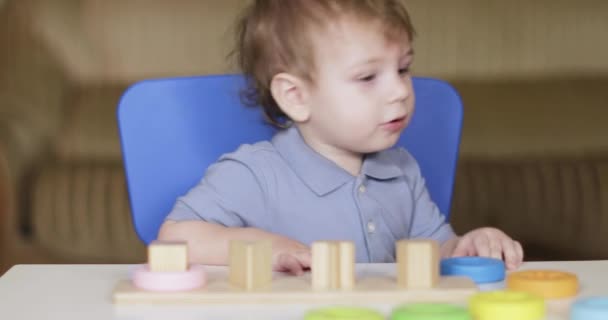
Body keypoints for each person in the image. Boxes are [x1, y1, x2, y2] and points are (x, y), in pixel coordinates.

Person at [158, 0, 524, 275]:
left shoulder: (401, 169)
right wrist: (266, 248)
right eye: (368, 78)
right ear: (296, 97)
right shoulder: (254, 173)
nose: (399, 90)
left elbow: (434, 252)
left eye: (403, 68)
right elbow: (173, 238)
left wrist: (467, 245)